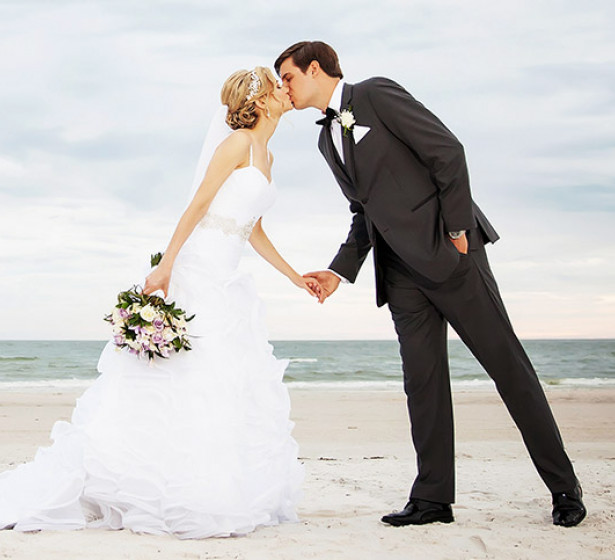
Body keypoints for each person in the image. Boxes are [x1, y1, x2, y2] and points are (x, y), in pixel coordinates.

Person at [274, 41, 586, 527]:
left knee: (510, 371)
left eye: (288, 78)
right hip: (399, 277)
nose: (284, 89)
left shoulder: (375, 95)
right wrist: (338, 272)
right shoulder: (325, 141)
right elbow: (366, 213)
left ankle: (564, 488)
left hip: (452, 257)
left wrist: (459, 231)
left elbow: (448, 151)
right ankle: (433, 500)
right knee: (423, 385)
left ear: (315, 69)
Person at [0, 67, 315, 539]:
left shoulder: (266, 155)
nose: (284, 91)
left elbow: (254, 230)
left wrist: (295, 276)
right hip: (198, 269)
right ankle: (158, 487)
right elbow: (197, 205)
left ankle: (216, 482)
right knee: (188, 376)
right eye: (277, 86)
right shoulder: (236, 144)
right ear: (261, 100)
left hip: (228, 277)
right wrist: (167, 264)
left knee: (225, 378)